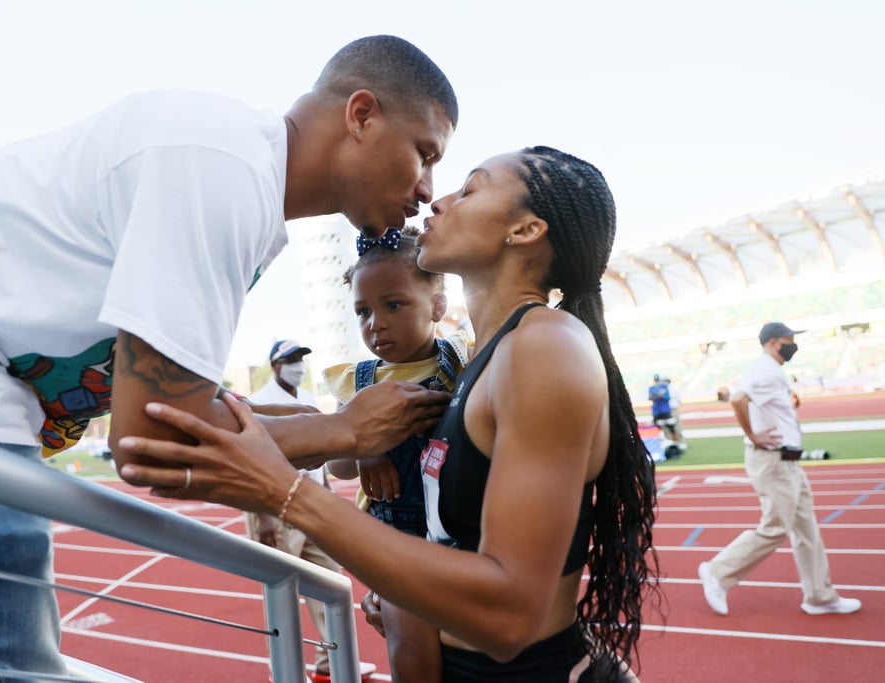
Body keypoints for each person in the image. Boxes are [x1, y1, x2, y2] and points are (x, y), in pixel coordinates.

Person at [0, 35, 456, 681]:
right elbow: (151, 441)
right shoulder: (219, 168)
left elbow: (183, 402)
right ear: (361, 114)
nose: (427, 189)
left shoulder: (238, 177)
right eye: (425, 154)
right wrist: (346, 429)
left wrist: (328, 423)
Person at [118, 146, 661, 681]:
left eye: (469, 188)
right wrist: (411, 589)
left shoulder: (544, 345)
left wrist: (283, 491)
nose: (439, 201)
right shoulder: (482, 357)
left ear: (523, 231)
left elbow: (509, 614)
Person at [322, 226, 469, 682]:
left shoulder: (460, 362)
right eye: (363, 311)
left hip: (457, 527)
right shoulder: (358, 381)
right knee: (410, 647)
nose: (376, 323)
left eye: (394, 305)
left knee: (460, 644)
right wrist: (361, 444)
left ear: (437, 307)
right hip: (391, 534)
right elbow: (336, 464)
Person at [697, 322, 861, 617]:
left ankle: (819, 596)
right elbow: (737, 399)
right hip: (772, 461)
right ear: (773, 342)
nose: (793, 344)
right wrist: (752, 434)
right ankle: (718, 572)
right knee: (775, 528)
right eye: (789, 339)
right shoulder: (764, 369)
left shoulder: (772, 371)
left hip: (788, 462)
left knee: (806, 530)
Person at [244, 340, 377, 682]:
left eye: (301, 359)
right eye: (290, 360)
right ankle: (283, 669)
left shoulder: (304, 396)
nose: (298, 365)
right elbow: (251, 460)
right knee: (280, 590)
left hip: (310, 497)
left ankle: (327, 661)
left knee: (330, 579)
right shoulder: (259, 400)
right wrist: (263, 515)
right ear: (275, 365)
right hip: (276, 503)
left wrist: (329, 494)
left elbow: (318, 455)